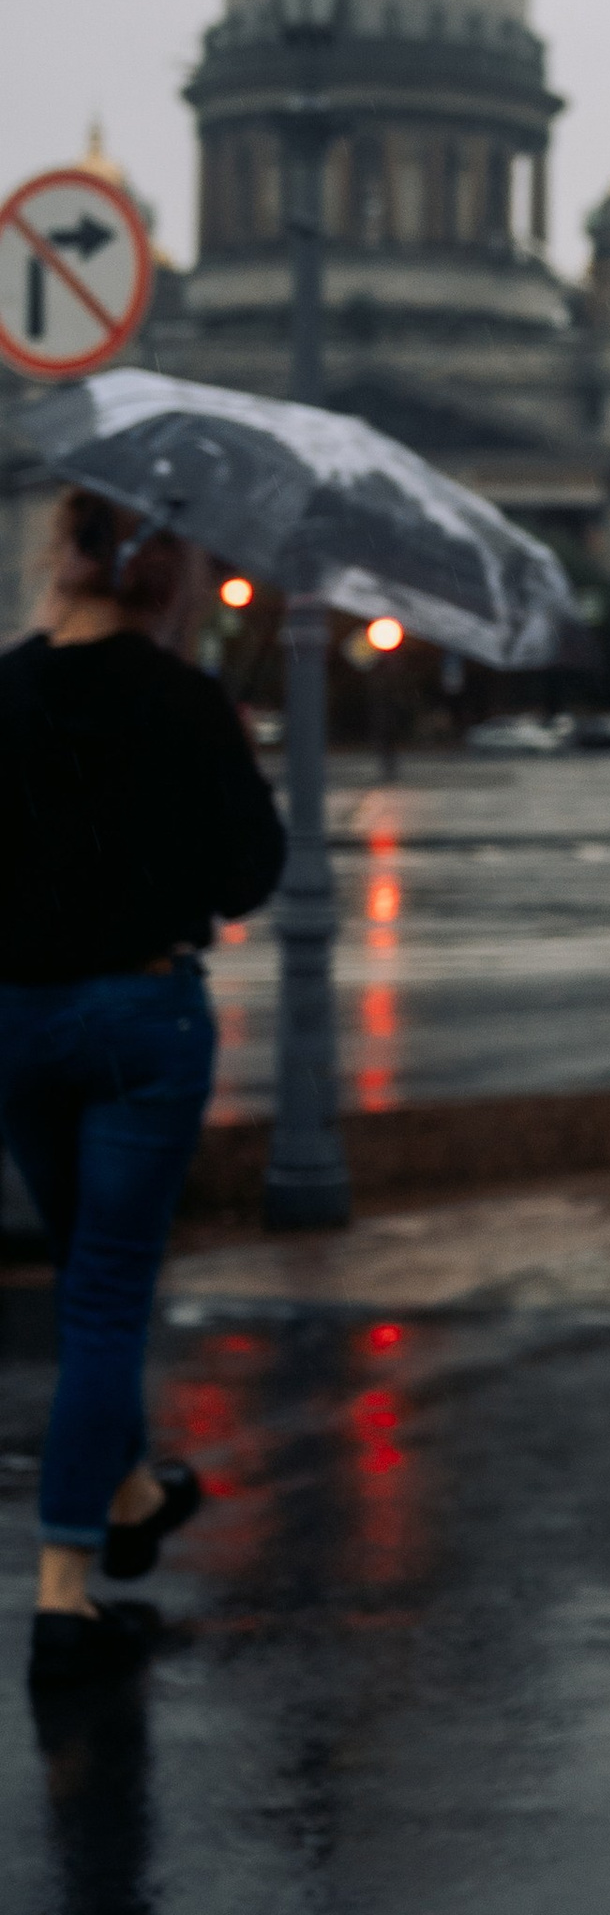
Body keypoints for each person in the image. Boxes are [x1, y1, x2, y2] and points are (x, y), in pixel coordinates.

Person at [0, 492, 285, 1687]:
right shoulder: (184, 701)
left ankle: (125, 1493)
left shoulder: (4, 688)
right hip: (140, 1020)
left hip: (19, 1022)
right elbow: (251, 873)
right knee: (110, 1300)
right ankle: (64, 1593)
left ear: (58, 551)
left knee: (88, 1282)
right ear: (168, 577)